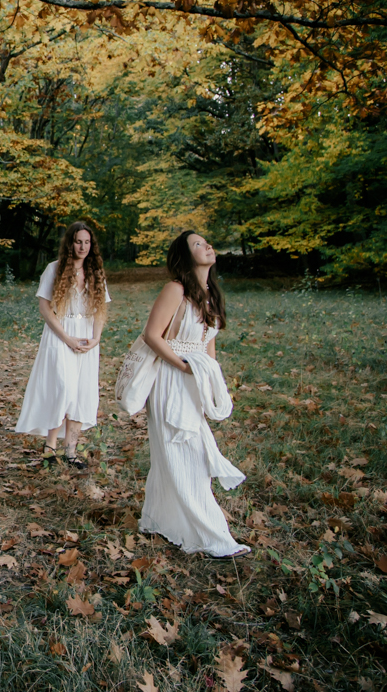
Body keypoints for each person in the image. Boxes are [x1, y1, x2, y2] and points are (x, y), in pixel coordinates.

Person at [139, 231, 249, 560]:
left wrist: (209, 383)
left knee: (176, 459)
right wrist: (183, 366)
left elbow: (207, 347)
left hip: (193, 381)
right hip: (170, 380)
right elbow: (151, 335)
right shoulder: (176, 289)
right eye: (198, 245)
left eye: (206, 242)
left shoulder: (209, 294)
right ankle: (214, 537)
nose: (208, 246)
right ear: (187, 257)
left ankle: (158, 520)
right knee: (187, 458)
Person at [14, 221, 110, 470]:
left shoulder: (95, 271)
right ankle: (50, 450)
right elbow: (45, 308)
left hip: (87, 338)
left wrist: (96, 338)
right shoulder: (54, 269)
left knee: (81, 392)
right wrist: (66, 338)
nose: (83, 246)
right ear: (70, 243)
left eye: (87, 242)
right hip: (60, 335)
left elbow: (101, 309)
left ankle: (72, 451)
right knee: (62, 389)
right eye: (79, 241)